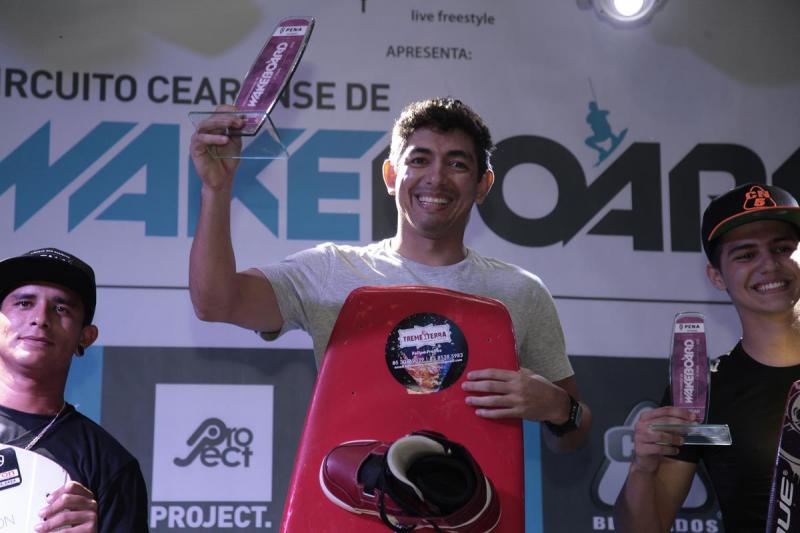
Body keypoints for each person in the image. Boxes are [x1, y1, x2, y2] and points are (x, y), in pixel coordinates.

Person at [189, 97, 591, 451]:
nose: (436, 177)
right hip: (351, 500)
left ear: (483, 184)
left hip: (478, 503)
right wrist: (216, 191)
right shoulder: (331, 269)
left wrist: (559, 408)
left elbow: (573, 435)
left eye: (457, 163)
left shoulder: (519, 291)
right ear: (391, 176)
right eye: (419, 160)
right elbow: (215, 302)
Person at [614, 183, 800, 532]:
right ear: (716, 276)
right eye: (746, 254)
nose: (769, 264)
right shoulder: (701, 393)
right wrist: (642, 467)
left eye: (783, 248)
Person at [0, 248, 149, 532]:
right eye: (24, 303)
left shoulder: (109, 464)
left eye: (61, 308)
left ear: (86, 337)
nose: (40, 318)